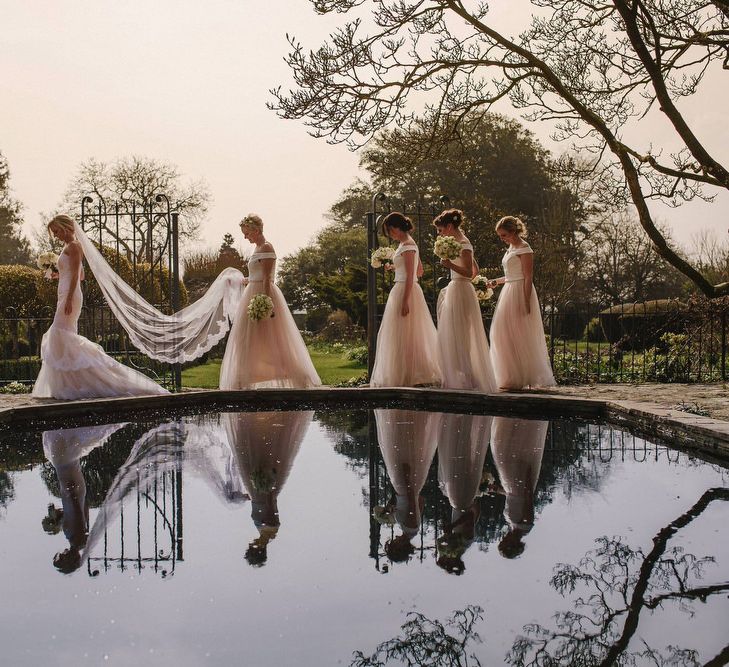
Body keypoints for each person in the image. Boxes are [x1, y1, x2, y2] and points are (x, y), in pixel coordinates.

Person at [32, 215, 169, 400]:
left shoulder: (74, 246)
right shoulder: (68, 247)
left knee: (59, 333)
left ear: (66, 227)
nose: (56, 236)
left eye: (57, 231)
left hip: (69, 296)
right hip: (65, 294)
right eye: (54, 233)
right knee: (63, 336)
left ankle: (90, 378)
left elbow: (75, 278)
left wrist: (69, 298)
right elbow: (80, 275)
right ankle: (71, 383)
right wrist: (58, 274)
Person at [219, 214, 321, 389]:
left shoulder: (266, 247)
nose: (245, 237)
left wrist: (265, 301)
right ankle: (245, 378)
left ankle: (298, 375)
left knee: (274, 339)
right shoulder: (257, 248)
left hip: (262, 295)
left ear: (256, 230)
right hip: (252, 293)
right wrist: (242, 280)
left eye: (247, 233)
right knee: (246, 339)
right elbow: (256, 276)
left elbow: (267, 278)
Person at [224, 410, 314, 566]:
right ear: (258, 548)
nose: (250, 544)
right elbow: (270, 502)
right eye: (252, 548)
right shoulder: (270, 530)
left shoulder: (263, 532)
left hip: (257, 490)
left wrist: (246, 497)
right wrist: (265, 484)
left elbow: (260, 505)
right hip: (262, 488)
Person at [370, 212, 441, 388]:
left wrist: (405, 300)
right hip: (401, 288)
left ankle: (410, 374)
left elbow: (412, 275)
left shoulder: (408, 245)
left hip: (405, 290)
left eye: (389, 231)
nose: (390, 235)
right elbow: (420, 270)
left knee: (408, 334)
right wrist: (394, 267)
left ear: (395, 227)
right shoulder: (406, 245)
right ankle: (404, 372)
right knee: (401, 334)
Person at [487, 216, 556, 390]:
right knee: (501, 333)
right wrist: (496, 281)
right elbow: (511, 275)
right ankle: (510, 375)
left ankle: (521, 377)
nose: (502, 239)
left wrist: (526, 301)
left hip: (519, 292)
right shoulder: (511, 248)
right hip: (508, 291)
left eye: (504, 235)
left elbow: (527, 277)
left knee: (519, 334)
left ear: (513, 232)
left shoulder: (525, 249)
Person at [434, 209, 497, 392]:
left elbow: (470, 273)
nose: (440, 234)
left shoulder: (464, 244)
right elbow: (475, 269)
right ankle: (458, 375)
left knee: (461, 334)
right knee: (453, 333)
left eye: (441, 230)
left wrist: (450, 265)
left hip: (461, 290)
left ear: (449, 226)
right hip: (456, 288)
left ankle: (468, 376)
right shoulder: (459, 243)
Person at [374, 409, 439, 563]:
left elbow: (420, 501)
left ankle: (408, 417)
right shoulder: (409, 528)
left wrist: (390, 506)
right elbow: (412, 502)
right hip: (406, 485)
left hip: (405, 488)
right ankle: (405, 415)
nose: (392, 543)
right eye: (393, 546)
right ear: (399, 547)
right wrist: (408, 479)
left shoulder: (410, 530)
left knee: (406, 445)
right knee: (403, 445)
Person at [435, 412, 492, 574]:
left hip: (459, 499)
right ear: (450, 559)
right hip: (461, 498)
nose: (442, 553)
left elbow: (475, 511)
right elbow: (470, 517)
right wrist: (452, 526)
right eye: (444, 558)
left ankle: (461, 424)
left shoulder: (458, 544)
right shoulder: (465, 542)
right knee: (462, 460)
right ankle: (465, 422)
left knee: (459, 460)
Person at [489, 416, 548, 559]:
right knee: (515, 448)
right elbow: (527, 500)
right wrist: (528, 475)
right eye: (504, 542)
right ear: (512, 543)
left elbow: (513, 499)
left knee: (504, 447)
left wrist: (497, 490)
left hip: (510, 485)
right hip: (520, 482)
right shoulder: (525, 526)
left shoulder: (512, 525)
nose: (502, 539)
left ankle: (514, 419)